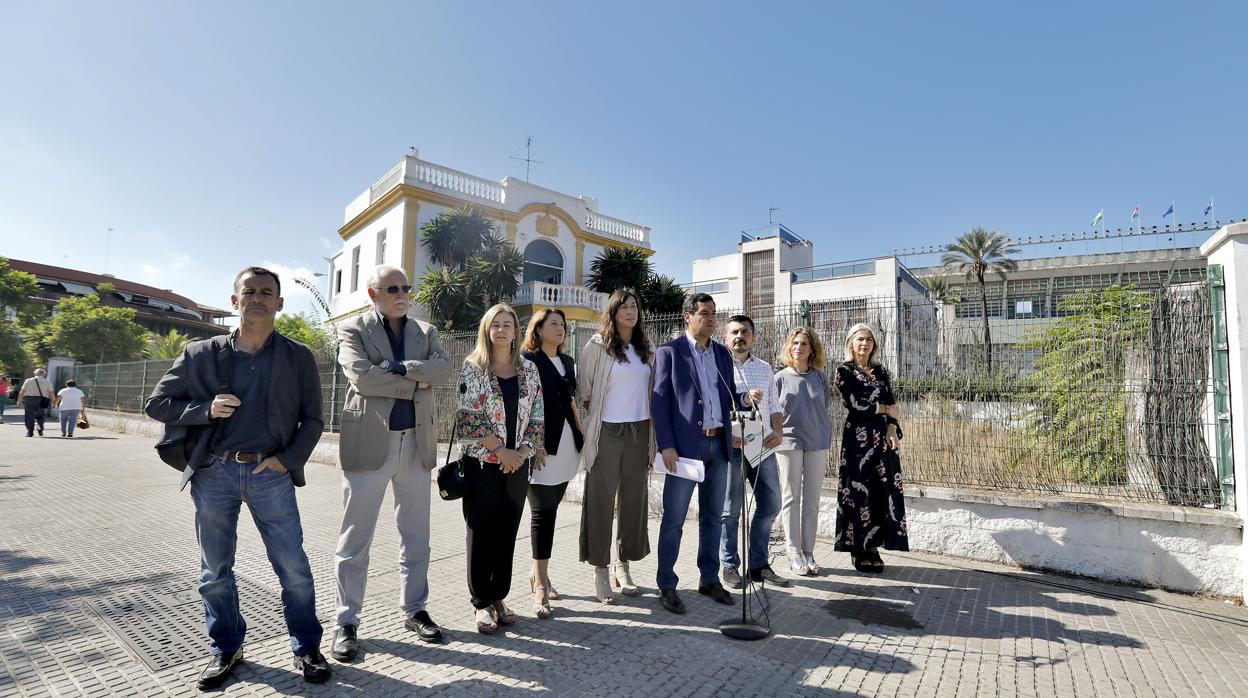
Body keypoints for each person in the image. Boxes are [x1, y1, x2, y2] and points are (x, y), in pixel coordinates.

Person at [144, 267, 330, 690]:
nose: (258, 298)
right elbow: (157, 403)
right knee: (214, 571)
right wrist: (205, 409)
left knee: (293, 567)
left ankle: (306, 646)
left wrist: (288, 460)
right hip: (215, 473)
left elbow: (314, 419)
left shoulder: (297, 356)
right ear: (235, 301)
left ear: (280, 303)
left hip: (271, 473)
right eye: (250, 292)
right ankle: (226, 648)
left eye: (267, 292)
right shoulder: (201, 354)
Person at [330, 265, 452, 662]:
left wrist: (396, 370)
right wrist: (417, 380)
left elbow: (445, 370)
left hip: (416, 444)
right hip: (370, 443)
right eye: (392, 288)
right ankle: (346, 621)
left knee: (416, 536)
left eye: (406, 287)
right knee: (355, 539)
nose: (402, 294)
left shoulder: (425, 331)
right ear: (373, 293)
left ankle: (415, 609)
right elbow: (362, 380)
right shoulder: (352, 329)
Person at [652, 293, 746, 615]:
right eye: (704, 313)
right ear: (687, 317)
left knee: (712, 518)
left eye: (713, 314)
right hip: (684, 451)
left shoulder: (721, 354)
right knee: (675, 519)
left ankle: (709, 579)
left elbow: (730, 396)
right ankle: (666, 584)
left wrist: (746, 404)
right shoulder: (670, 352)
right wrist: (666, 445)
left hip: (719, 446)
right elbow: (659, 402)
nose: (711, 319)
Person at [454, 303, 544, 634]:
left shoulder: (529, 370)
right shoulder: (473, 368)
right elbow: (467, 418)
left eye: (508, 324)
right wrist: (500, 451)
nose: (502, 330)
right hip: (483, 463)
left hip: (518, 464)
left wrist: (521, 451)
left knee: (506, 532)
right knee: (481, 530)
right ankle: (480, 603)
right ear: (487, 331)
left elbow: (537, 414)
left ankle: (498, 597)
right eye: (496, 325)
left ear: (516, 332)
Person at [578, 289, 655, 604]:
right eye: (623, 306)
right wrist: (589, 431)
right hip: (606, 432)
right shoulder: (596, 346)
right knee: (600, 500)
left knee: (634, 501)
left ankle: (622, 565)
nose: (630, 311)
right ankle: (600, 567)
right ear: (612, 311)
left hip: (640, 431)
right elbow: (584, 392)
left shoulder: (648, 348)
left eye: (634, 305)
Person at [520, 308, 583, 618]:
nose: (560, 329)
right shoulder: (527, 360)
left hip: (567, 445)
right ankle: (541, 584)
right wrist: (533, 442)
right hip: (540, 447)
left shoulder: (568, 361)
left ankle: (537, 573)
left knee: (552, 509)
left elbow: (571, 400)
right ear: (539, 328)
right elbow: (524, 403)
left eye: (563, 325)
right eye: (554, 324)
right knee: (542, 513)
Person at [719, 315, 791, 588]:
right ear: (726, 338)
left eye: (745, 332)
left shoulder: (764, 368)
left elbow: (774, 406)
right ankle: (729, 565)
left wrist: (778, 432)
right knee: (730, 510)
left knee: (771, 503)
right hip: (732, 446)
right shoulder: (719, 366)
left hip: (761, 446)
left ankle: (759, 565)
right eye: (734, 332)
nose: (740, 336)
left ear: (754, 337)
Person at [833, 323, 909, 572]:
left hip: (882, 440)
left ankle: (873, 546)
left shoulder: (882, 371)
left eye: (869, 339)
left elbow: (892, 403)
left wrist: (890, 427)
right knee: (858, 491)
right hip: (857, 439)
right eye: (859, 339)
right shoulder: (844, 371)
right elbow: (856, 404)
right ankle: (857, 547)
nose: (864, 343)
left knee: (880, 491)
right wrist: (886, 410)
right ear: (850, 343)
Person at [773, 326, 833, 576]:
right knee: (790, 497)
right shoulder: (779, 378)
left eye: (804, 344)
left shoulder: (820, 377)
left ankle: (808, 551)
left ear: (812, 349)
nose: (798, 347)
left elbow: (824, 404)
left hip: (817, 441)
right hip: (788, 442)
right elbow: (773, 412)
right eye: (795, 343)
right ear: (790, 347)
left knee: (812, 500)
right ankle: (793, 550)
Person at [17, 368, 53, 437]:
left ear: (35, 373)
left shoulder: (28, 380)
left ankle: (30, 432)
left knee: (29, 416)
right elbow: (51, 392)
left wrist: (19, 400)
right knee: (40, 415)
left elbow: (22, 391)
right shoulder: (47, 382)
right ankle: (40, 428)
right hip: (42, 400)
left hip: (29, 399)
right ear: (44, 374)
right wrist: (53, 401)